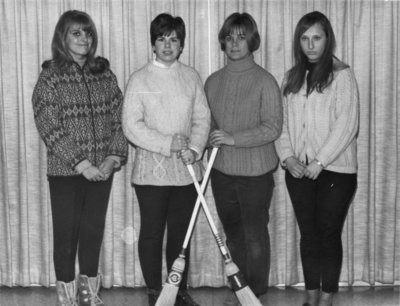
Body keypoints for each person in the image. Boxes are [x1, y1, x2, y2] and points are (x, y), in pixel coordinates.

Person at [32, 10, 128, 306]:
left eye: (87, 33)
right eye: (76, 33)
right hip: (66, 172)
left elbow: (120, 119)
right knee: (66, 234)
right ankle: (67, 297)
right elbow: (48, 125)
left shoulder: (105, 75)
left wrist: (112, 159)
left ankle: (89, 295)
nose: (84, 38)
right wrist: (82, 164)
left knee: (92, 232)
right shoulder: (50, 77)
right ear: (63, 37)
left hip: (103, 170)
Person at [122, 13, 210, 306]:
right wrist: (168, 144)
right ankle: (154, 292)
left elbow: (202, 119)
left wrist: (195, 149)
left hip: (186, 171)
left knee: (180, 237)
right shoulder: (139, 78)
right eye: (162, 38)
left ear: (182, 45)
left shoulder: (191, 77)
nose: (168, 45)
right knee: (151, 234)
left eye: (174, 39)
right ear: (153, 43)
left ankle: (179, 292)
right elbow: (132, 126)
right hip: (151, 174)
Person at [275, 11, 359, 306]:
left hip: (336, 172)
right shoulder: (291, 77)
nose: (311, 45)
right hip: (298, 171)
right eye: (305, 38)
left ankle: (326, 299)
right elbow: (280, 124)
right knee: (308, 236)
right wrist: (288, 158)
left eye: (317, 38)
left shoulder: (342, 75)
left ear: (327, 40)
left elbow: (347, 125)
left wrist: (319, 162)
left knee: (328, 234)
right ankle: (310, 298)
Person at [205, 12, 282, 306]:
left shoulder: (265, 81)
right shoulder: (213, 82)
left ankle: (257, 294)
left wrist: (233, 138)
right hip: (222, 172)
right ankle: (240, 291)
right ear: (223, 42)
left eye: (241, 37)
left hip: (256, 174)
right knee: (233, 236)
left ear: (252, 41)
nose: (234, 43)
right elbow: (209, 125)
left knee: (255, 236)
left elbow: (272, 127)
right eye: (229, 37)